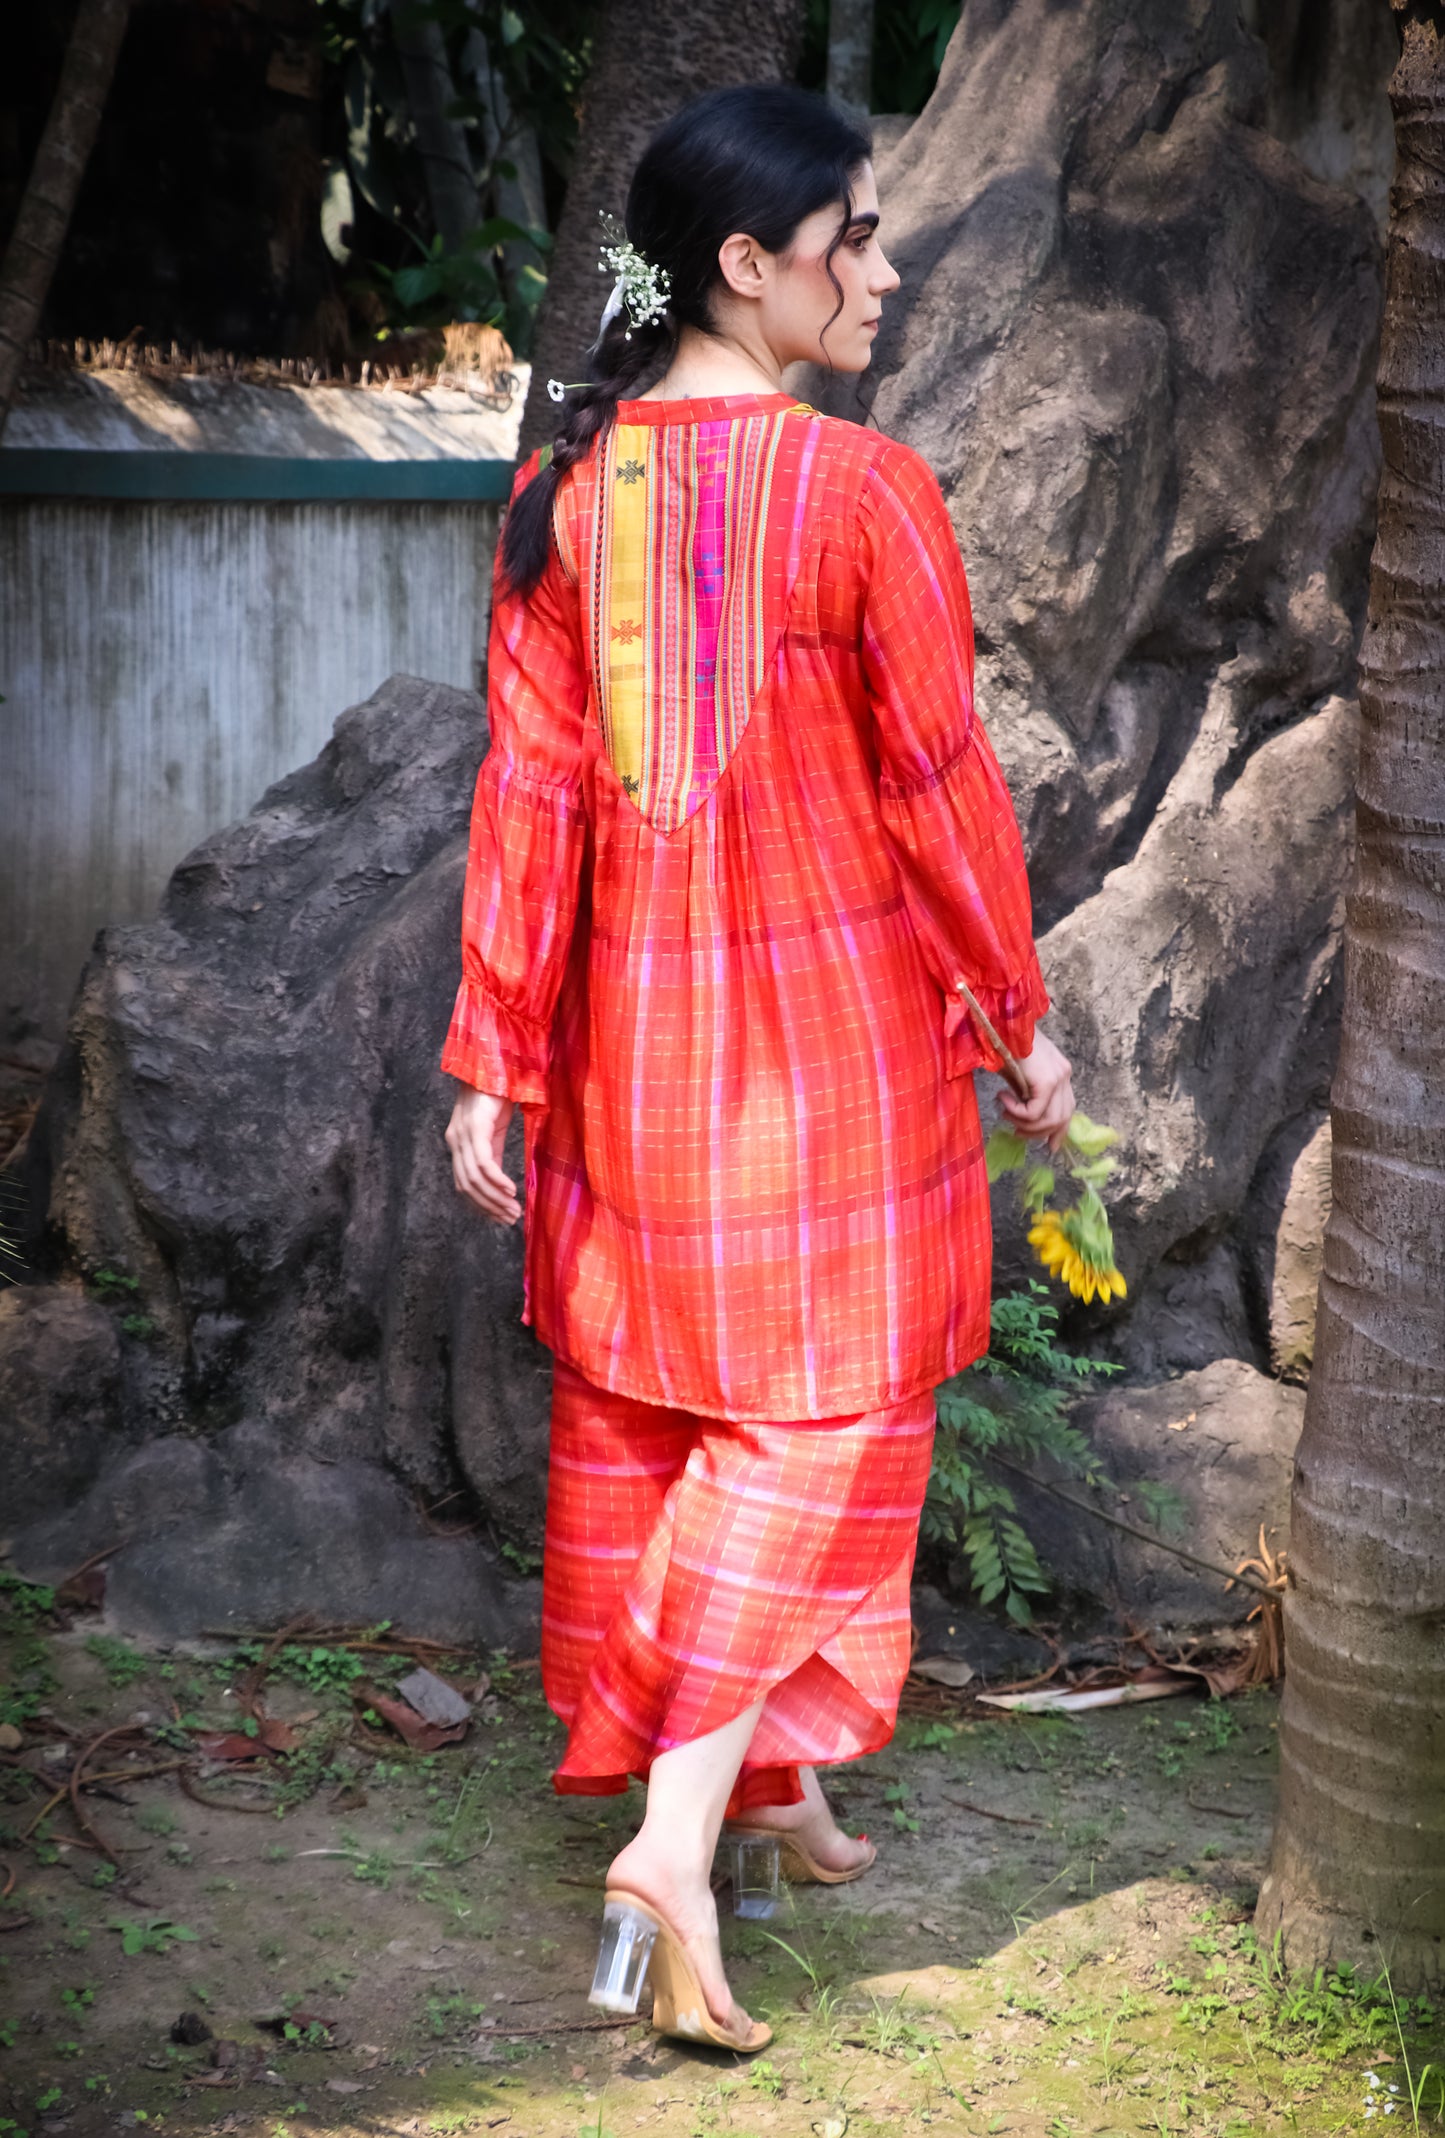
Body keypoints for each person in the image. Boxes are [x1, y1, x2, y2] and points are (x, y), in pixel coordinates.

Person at [442, 82, 1074, 2053]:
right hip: (831, 1066)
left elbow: (530, 795)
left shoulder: (568, 493)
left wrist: (497, 1064)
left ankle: (768, 1801)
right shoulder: (864, 492)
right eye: (854, 240)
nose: (882, 273)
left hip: (633, 1059)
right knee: (826, 1432)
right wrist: (1013, 1016)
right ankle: (679, 1830)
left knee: (658, 1421)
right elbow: (942, 790)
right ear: (745, 262)